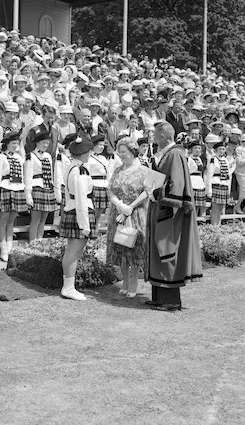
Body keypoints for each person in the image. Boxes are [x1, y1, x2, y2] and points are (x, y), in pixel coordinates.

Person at [146, 122, 203, 311]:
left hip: (170, 213)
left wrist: (156, 193)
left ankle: (170, 300)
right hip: (160, 209)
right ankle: (159, 297)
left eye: (155, 135)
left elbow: (176, 186)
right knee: (158, 250)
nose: (153, 138)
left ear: (162, 137)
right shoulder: (166, 154)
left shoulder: (175, 154)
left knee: (167, 252)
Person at [106, 136, 151, 299]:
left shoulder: (144, 170)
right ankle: (124, 281)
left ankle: (134, 282)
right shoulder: (118, 170)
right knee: (120, 248)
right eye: (119, 152)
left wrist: (130, 207)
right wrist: (119, 204)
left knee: (134, 248)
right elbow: (109, 190)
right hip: (118, 213)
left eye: (124, 152)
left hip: (136, 213)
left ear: (133, 152)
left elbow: (148, 191)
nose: (121, 155)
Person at [59, 135, 96, 301]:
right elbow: (81, 199)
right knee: (74, 252)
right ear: (84, 154)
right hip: (79, 212)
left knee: (72, 251)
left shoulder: (71, 167)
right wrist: (84, 225)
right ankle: (68, 287)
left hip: (72, 209)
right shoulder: (79, 171)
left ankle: (69, 286)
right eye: (88, 152)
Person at [0, 131, 27, 262]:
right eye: (13, 143)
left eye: (17, 143)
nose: (15, 146)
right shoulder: (1, 157)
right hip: (5, 187)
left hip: (17, 188)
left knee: (12, 220)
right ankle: (3, 250)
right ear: (7, 144)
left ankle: (10, 248)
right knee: (3, 219)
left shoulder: (19, 157)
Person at [24, 129, 57, 242]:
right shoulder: (31, 156)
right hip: (37, 187)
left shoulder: (48, 156)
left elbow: (51, 175)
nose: (45, 145)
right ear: (37, 143)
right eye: (43, 143)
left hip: (47, 188)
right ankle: (33, 242)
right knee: (35, 219)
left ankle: (40, 241)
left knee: (43, 219)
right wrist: (28, 195)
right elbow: (28, 176)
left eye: (47, 143)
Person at [204, 139, 234, 226]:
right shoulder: (213, 159)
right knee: (215, 207)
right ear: (216, 150)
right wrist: (209, 189)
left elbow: (227, 173)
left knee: (221, 207)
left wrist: (234, 167)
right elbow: (209, 174)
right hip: (216, 183)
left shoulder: (225, 159)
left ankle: (218, 224)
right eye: (220, 149)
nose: (221, 151)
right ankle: (214, 225)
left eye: (223, 149)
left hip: (224, 183)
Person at [87, 134, 111, 229]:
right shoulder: (89, 158)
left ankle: (96, 228)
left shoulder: (103, 158)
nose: (101, 147)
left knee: (100, 211)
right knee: (93, 211)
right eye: (99, 145)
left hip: (103, 185)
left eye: (102, 145)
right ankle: (91, 229)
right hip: (94, 185)